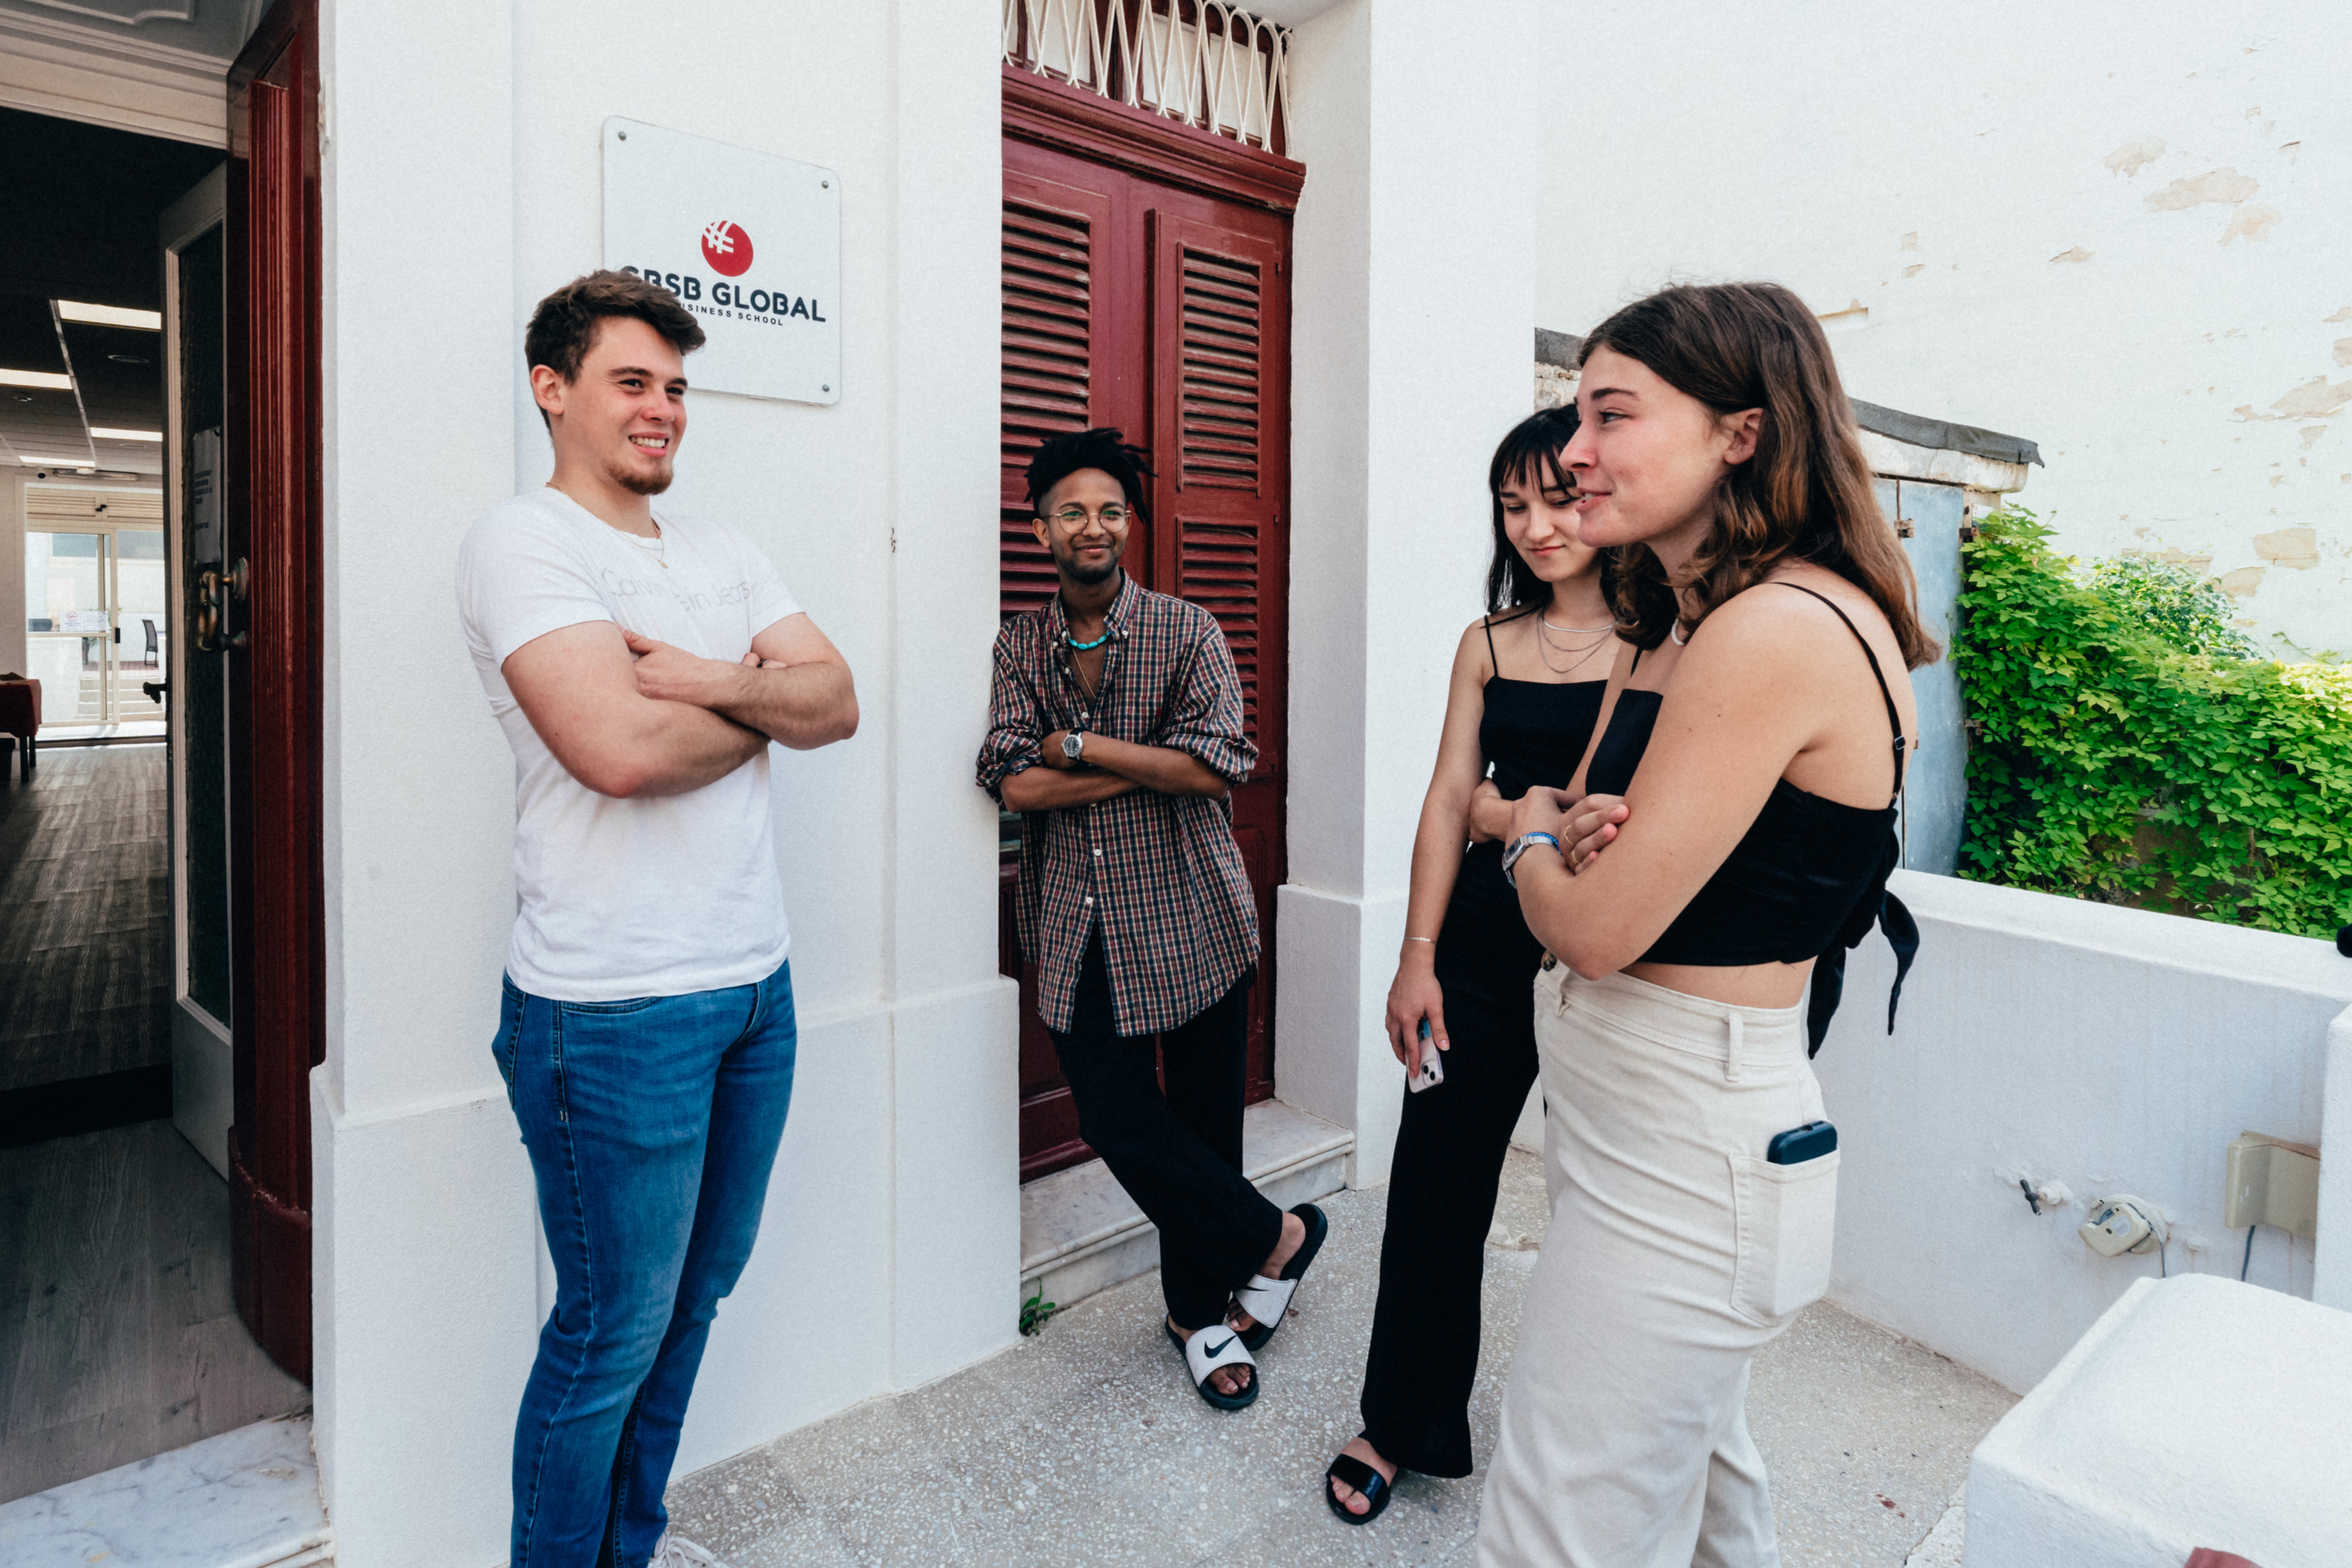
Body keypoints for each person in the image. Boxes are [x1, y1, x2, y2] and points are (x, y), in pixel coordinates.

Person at [1478, 282, 1929, 1567]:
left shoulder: (1772, 627)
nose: (1572, 452)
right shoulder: (1681, 620)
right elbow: (1589, 822)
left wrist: (1521, 838)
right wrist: (1565, 831)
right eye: (1575, 416)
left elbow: (1593, 923)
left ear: (1740, 431)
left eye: (1610, 414)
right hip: (1636, 1118)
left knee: (1553, 1527)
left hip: (1684, 1146)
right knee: (1704, 1501)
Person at [457, 269, 858, 1568]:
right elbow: (615, 751)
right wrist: (759, 702)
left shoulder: (722, 551)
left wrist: (696, 678)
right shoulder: (525, 542)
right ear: (552, 389)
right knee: (609, 1330)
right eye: (633, 381)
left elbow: (837, 699)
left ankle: (625, 1546)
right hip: (610, 1010)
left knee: (693, 1302)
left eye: (676, 387)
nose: (662, 409)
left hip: (755, 987)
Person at [975, 427, 1327, 1412]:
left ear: (1128, 523)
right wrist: (1142, 767)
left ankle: (1193, 1317)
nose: (1094, 525)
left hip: (1194, 918)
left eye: (1110, 509)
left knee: (1205, 1130)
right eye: (1073, 510)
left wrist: (1081, 745)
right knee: (1120, 1121)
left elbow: (1221, 763)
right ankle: (1280, 1238)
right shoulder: (1019, 644)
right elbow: (1008, 778)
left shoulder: (1188, 630)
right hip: (1072, 929)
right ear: (1041, 526)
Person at [1324, 407, 1618, 1524]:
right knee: (1438, 1191)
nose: (1539, 525)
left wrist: (1515, 812)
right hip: (1486, 953)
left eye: (1558, 498)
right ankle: (1402, 1420)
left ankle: (1597, 1438)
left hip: (1614, 958)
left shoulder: (1671, 640)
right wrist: (1418, 958)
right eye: (1515, 506)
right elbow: (1452, 799)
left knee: (1610, 1213)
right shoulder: (1489, 643)